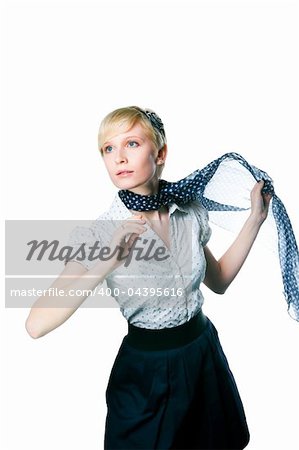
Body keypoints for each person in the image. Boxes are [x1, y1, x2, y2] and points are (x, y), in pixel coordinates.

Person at [25, 105, 273, 449]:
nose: (119, 158)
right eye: (108, 149)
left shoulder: (190, 211)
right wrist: (106, 263)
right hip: (146, 374)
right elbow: (36, 324)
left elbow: (218, 281)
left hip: (203, 355)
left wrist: (254, 220)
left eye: (132, 144)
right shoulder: (100, 233)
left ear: (161, 154)